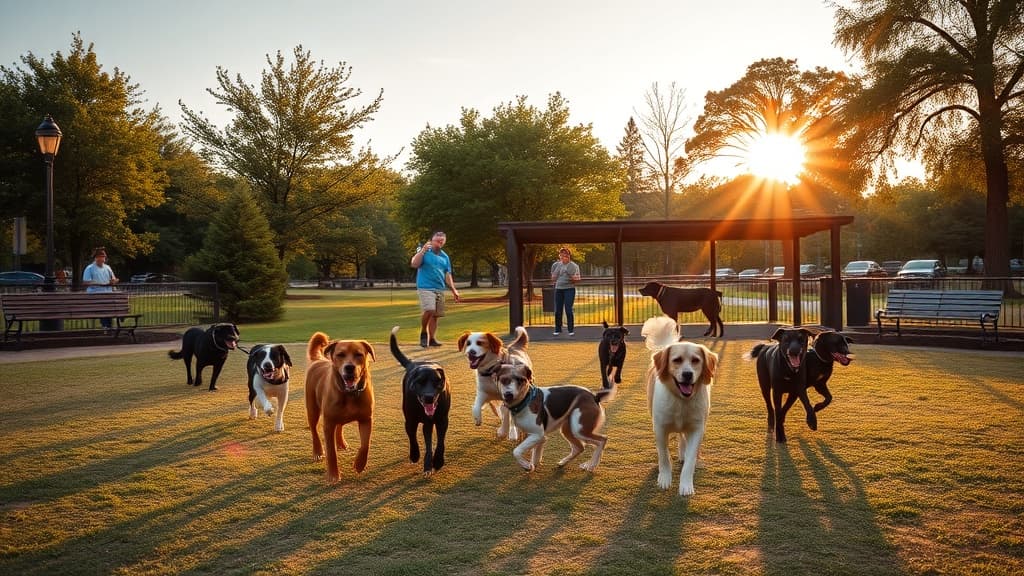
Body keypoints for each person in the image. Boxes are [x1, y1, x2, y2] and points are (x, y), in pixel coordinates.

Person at [410, 231, 460, 347]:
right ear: (431, 240)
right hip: (425, 286)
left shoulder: (445, 256)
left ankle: (432, 339)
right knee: (430, 310)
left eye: (442, 240)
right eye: (437, 240)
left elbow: (448, 274)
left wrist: (454, 290)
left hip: (439, 287)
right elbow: (414, 264)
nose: (439, 242)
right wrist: (422, 251)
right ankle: (423, 332)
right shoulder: (424, 251)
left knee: (435, 315)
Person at [82, 247, 119, 332]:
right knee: (103, 307)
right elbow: (86, 282)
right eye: (101, 256)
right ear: (96, 257)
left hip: (108, 294)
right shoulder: (90, 268)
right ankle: (106, 326)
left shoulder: (108, 267)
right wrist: (99, 284)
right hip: (95, 295)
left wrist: (114, 281)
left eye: (104, 257)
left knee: (110, 307)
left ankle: (109, 327)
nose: (103, 259)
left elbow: (114, 279)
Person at [550, 247, 581, 336]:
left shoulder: (574, 266)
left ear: (569, 256)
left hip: (569, 289)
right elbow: (553, 278)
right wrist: (558, 271)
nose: (563, 257)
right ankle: (557, 329)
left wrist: (571, 276)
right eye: (561, 255)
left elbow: (578, 279)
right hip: (558, 289)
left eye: (565, 255)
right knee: (558, 310)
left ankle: (570, 330)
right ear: (559, 256)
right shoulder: (555, 265)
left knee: (568, 309)